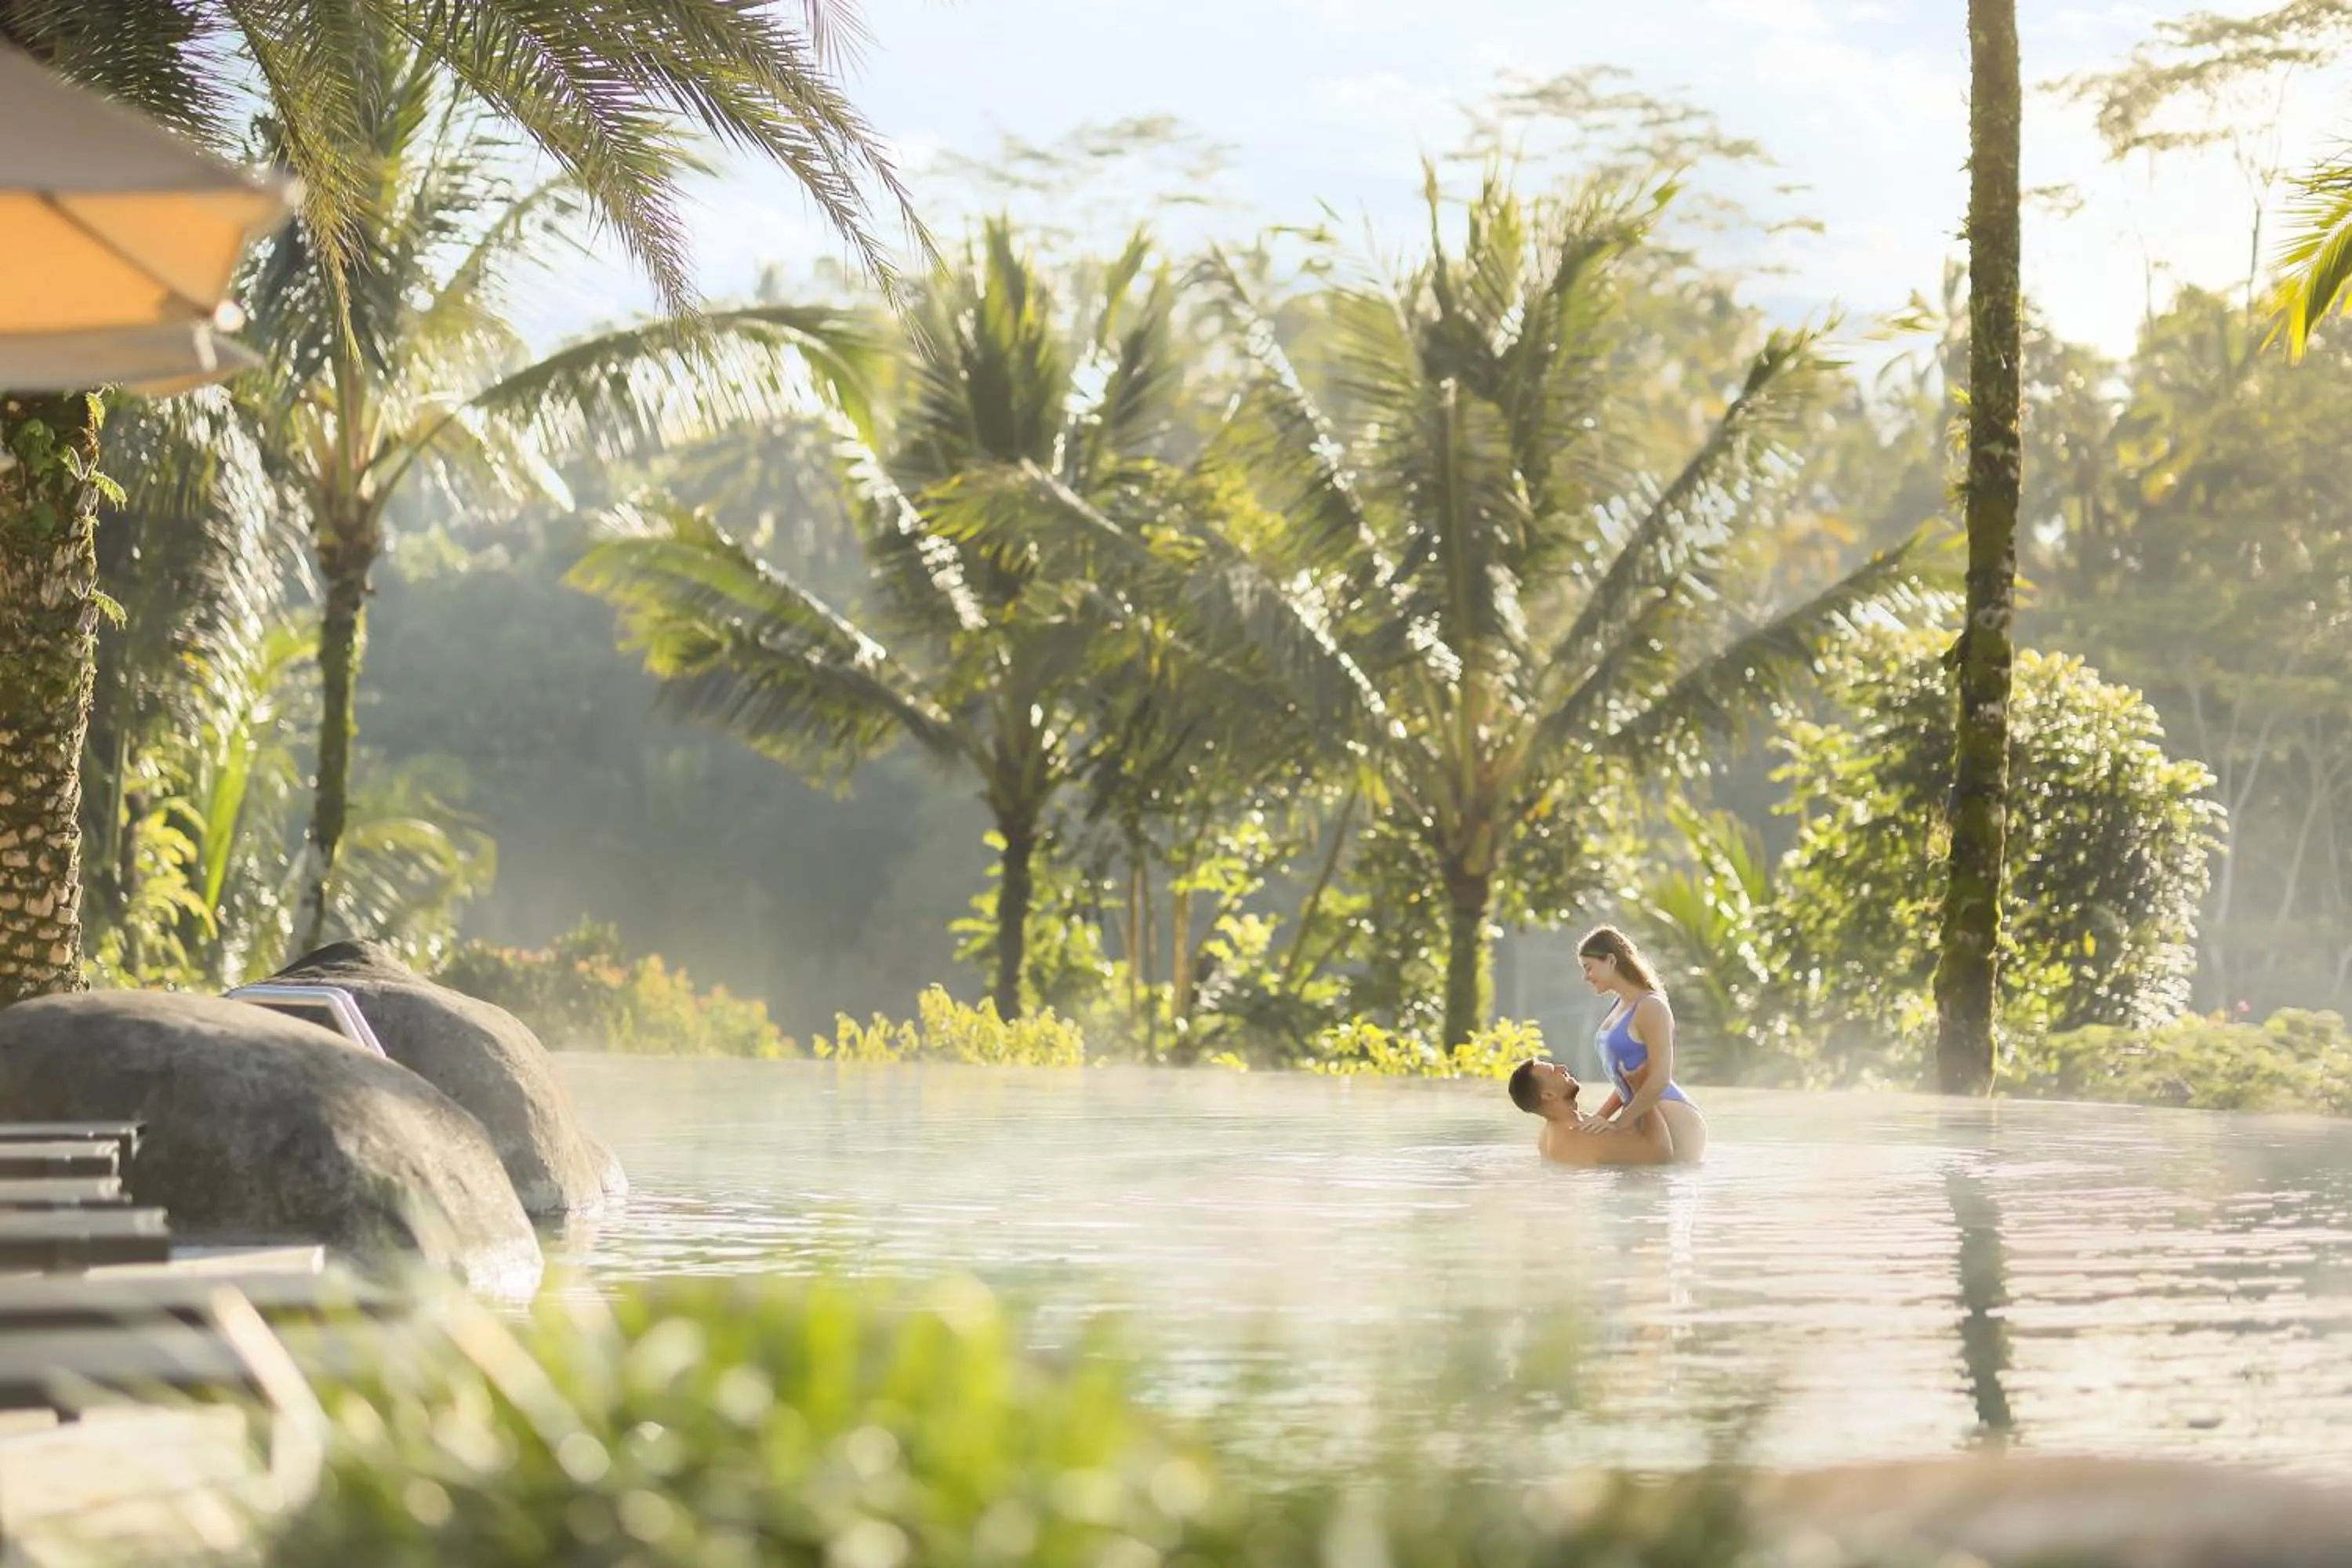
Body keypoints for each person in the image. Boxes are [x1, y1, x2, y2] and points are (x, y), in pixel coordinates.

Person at [1504, 926, 1707, 1167]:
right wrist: (1600, 1119)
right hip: (1641, 1115)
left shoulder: (1651, 1007)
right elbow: (1625, 1082)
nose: (1586, 976)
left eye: (1589, 967)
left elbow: (1660, 1078)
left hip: (1673, 1119)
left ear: (1611, 960)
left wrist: (1618, 1123)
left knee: (1657, 1197)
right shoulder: (1619, 1006)